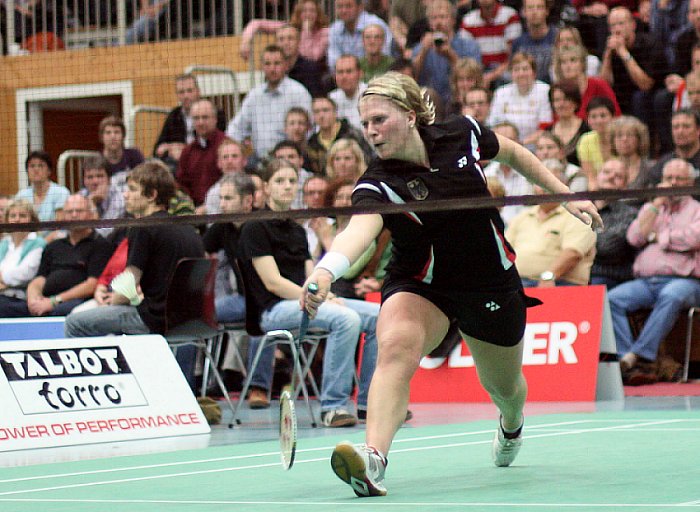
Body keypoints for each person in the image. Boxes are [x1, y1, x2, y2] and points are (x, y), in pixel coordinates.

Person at [300, 72, 602, 497]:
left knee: (505, 388)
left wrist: (566, 194)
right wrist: (326, 269)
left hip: (488, 283)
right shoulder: (378, 181)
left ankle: (511, 425)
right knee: (395, 347)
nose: (370, 131)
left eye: (379, 120)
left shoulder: (461, 133)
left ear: (409, 116)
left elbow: (512, 152)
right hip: (421, 284)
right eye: (365, 123)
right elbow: (359, 230)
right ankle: (373, 459)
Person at [237, 158, 380, 425]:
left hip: (305, 303)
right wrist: (319, 298)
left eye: (292, 181)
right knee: (346, 319)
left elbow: (310, 276)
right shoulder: (254, 227)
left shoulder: (297, 231)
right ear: (266, 187)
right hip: (273, 310)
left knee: (378, 315)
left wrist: (326, 294)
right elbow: (273, 282)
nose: (287, 187)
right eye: (280, 181)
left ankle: (369, 403)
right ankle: (333, 407)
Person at [64, 161, 205, 386]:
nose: (126, 196)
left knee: (75, 323)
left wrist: (113, 301)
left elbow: (129, 280)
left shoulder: (142, 227)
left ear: (151, 195)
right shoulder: (188, 228)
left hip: (155, 320)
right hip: (193, 320)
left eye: (131, 190)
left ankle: (88, 391)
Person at [607, 159, 700, 380]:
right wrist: (656, 204)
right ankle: (627, 361)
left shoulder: (697, 210)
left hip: (686, 282)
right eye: (669, 179)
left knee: (672, 295)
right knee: (612, 299)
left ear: (691, 182)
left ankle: (638, 356)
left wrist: (659, 238)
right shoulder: (653, 209)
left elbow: (693, 237)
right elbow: (634, 237)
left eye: (679, 179)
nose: (673, 183)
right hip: (647, 282)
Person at [0, 194, 112, 318]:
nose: (74, 215)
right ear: (63, 216)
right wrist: (33, 299)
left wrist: (54, 301)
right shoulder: (54, 245)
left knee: (59, 311)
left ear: (91, 215)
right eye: (69, 212)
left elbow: (91, 285)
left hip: (75, 301)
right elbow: (39, 279)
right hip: (45, 301)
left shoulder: (100, 245)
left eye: (79, 211)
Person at [506, 159, 597, 287]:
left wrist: (549, 276)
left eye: (549, 184)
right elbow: (505, 252)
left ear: (563, 186)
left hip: (560, 284)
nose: (544, 189)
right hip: (518, 283)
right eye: (539, 183)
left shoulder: (578, 216)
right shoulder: (522, 216)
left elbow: (573, 253)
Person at [227, 45, 312, 161]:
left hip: (290, 160)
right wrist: (234, 147)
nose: (272, 69)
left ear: (286, 65)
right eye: (267, 64)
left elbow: (311, 128)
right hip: (260, 161)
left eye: (277, 63)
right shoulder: (254, 95)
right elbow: (236, 128)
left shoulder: (298, 93)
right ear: (261, 66)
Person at [202, 173, 256, 324]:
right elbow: (200, 252)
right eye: (221, 198)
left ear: (247, 201)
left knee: (198, 316)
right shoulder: (223, 225)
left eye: (228, 198)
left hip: (261, 300)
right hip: (241, 298)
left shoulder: (261, 225)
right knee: (191, 313)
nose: (222, 204)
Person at [412, 0, 482, 105]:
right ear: (429, 23)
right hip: (429, 103)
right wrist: (423, 51)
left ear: (453, 20)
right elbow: (411, 76)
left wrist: (451, 55)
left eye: (443, 17)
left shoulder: (468, 44)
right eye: (434, 18)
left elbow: (476, 77)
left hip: (460, 100)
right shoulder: (420, 47)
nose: (438, 22)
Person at [153, 73, 227, 168]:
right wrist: (170, 148)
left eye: (189, 91)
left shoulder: (214, 112)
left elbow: (217, 142)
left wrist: (183, 149)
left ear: (198, 91)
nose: (186, 96)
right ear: (177, 95)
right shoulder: (174, 115)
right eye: (181, 92)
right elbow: (158, 148)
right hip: (176, 163)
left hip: (206, 161)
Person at [589, 159, 638, 289]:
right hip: (572, 273)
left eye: (618, 176)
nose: (611, 177)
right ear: (597, 177)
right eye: (606, 172)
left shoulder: (630, 213)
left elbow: (607, 247)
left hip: (606, 276)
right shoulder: (581, 208)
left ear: (625, 185)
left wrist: (577, 243)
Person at [488, 52, 552, 147]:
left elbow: (545, 128)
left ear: (534, 72)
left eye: (525, 69)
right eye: (516, 69)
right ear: (511, 73)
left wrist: (521, 144)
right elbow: (493, 125)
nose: (521, 73)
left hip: (535, 146)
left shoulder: (544, 90)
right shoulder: (501, 92)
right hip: (506, 146)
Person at [238, 0, 330, 64]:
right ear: (298, 13)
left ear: (318, 14)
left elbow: (312, 57)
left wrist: (307, 32)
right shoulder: (290, 28)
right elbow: (256, 23)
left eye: (312, 11)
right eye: (304, 11)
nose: (308, 14)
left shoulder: (325, 32)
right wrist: (246, 41)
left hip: (313, 74)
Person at [175, 99, 227, 206]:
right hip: (194, 211)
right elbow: (182, 185)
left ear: (215, 119)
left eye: (205, 117)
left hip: (221, 207)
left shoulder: (226, 146)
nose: (200, 122)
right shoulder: (187, 152)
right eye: (196, 118)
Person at [459, 0, 522, 89]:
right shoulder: (468, 20)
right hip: (479, 71)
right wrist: (480, 78)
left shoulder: (510, 15)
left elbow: (513, 56)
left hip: (504, 70)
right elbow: (467, 58)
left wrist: (492, 75)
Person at [552, 44, 620, 120]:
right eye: (563, 62)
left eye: (573, 60)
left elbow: (616, 113)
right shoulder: (557, 90)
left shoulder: (599, 84)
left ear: (582, 64)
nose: (568, 66)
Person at [307, 96, 372, 175]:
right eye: (317, 112)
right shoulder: (312, 144)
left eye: (325, 110)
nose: (321, 115)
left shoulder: (353, 134)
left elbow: (368, 160)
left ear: (335, 112)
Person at [483, 122, 533, 226]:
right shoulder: (484, 176)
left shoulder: (532, 175)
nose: (506, 145)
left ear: (519, 143)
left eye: (510, 140)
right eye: (501, 140)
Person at [0, 200, 46, 311]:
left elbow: (23, 275)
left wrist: (3, 282)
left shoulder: (38, 243)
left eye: (22, 215)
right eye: (13, 216)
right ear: (7, 220)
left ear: (32, 220)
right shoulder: (5, 243)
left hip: (21, 298)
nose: (17, 219)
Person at [327, 0, 392, 70]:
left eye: (348, 6)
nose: (344, 11)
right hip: (346, 75)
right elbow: (333, 62)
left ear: (360, 7)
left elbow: (385, 55)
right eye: (340, 7)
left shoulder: (376, 24)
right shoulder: (335, 29)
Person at [15, 150, 69, 222]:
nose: (36, 169)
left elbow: (60, 226)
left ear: (49, 170)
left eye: (40, 165)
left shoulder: (61, 192)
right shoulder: (21, 195)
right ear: (27, 171)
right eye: (32, 166)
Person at [277, 24, 330, 98]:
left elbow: (317, 99)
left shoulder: (311, 69)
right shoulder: (273, 70)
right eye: (281, 39)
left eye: (290, 38)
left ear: (299, 42)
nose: (286, 43)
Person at [511, 0, 557, 84]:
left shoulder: (557, 38)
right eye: (530, 8)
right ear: (524, 12)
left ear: (547, 11)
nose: (534, 12)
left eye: (539, 7)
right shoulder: (518, 43)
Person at [79, 155, 126, 237]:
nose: (95, 181)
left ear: (109, 179)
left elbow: (102, 233)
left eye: (100, 176)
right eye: (89, 177)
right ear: (84, 181)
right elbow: (67, 231)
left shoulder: (118, 199)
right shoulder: (80, 196)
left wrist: (91, 203)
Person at [546, 81, 590, 166]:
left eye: (566, 99)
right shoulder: (548, 131)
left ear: (575, 102)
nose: (561, 104)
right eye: (557, 100)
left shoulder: (587, 129)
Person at [199, 138, 248, 215]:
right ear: (219, 163)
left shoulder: (255, 185)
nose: (229, 161)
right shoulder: (213, 193)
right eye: (225, 157)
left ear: (244, 161)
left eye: (234, 156)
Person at [576, 96, 616, 189]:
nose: (599, 121)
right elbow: (591, 177)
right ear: (588, 120)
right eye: (593, 116)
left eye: (603, 115)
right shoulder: (585, 140)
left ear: (613, 117)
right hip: (597, 189)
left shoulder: (621, 138)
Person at [608, 115, 656, 191]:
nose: (624, 139)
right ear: (613, 141)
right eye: (619, 135)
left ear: (639, 139)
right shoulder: (607, 169)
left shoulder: (651, 168)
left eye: (630, 135)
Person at [99, 116, 145, 190]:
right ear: (101, 137)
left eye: (117, 132)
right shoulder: (97, 161)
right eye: (108, 133)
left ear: (123, 136)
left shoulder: (135, 156)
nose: (113, 136)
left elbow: (145, 181)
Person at [329, 54, 368, 130]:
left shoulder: (371, 94)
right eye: (340, 72)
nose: (344, 77)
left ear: (360, 74)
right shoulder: (331, 98)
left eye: (349, 71)